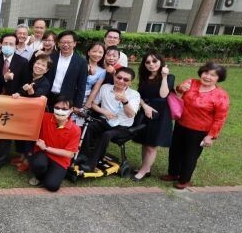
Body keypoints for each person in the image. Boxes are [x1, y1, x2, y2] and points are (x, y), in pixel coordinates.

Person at [162, 62, 229, 190]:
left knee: (190, 155)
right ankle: (173, 173)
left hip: (199, 130)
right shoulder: (191, 82)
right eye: (206, 73)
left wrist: (210, 136)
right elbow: (178, 90)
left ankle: (184, 180)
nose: (208, 77)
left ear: (218, 78)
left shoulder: (221, 95)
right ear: (201, 73)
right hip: (181, 124)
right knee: (175, 150)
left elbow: (220, 118)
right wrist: (181, 88)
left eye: (213, 75)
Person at [81, 67, 141, 172]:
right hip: (106, 120)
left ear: (130, 82)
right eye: (119, 77)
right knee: (90, 126)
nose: (121, 81)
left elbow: (131, 115)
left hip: (123, 126)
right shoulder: (105, 87)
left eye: (126, 80)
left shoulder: (134, 94)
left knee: (107, 134)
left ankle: (92, 164)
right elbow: (94, 105)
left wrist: (124, 101)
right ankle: (83, 156)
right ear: (114, 77)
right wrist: (104, 112)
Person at [0, 33, 29, 171]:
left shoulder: (22, 61)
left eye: (11, 44)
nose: (8, 46)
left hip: (12, 101)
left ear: (16, 46)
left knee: (5, 131)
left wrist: (19, 93)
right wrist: (3, 77)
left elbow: (25, 82)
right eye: (5, 43)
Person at [132, 52, 174, 182]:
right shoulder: (145, 78)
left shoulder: (169, 77)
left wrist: (164, 76)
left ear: (161, 62)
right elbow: (139, 96)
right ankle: (146, 168)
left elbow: (163, 95)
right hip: (146, 111)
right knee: (145, 142)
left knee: (152, 145)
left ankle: (144, 171)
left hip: (160, 114)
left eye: (154, 61)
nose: (151, 64)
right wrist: (145, 106)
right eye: (148, 62)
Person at [27, 96, 81, 192]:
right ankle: (39, 177)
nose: (60, 111)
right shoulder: (44, 117)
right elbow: (28, 111)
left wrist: (46, 148)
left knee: (52, 186)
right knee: (38, 164)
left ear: (71, 110)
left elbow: (69, 154)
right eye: (57, 108)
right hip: (42, 154)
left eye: (64, 109)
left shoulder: (75, 129)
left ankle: (53, 175)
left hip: (60, 160)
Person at [45, 30, 87, 112]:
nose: (66, 45)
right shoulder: (51, 57)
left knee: (62, 124)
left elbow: (81, 85)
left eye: (69, 42)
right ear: (58, 43)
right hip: (48, 96)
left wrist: (77, 105)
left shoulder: (81, 61)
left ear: (74, 43)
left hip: (66, 100)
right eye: (63, 42)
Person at [81, 42, 107, 113]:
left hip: (85, 98)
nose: (97, 54)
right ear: (89, 52)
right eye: (94, 51)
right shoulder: (80, 63)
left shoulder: (102, 71)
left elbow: (95, 90)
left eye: (100, 52)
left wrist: (86, 106)